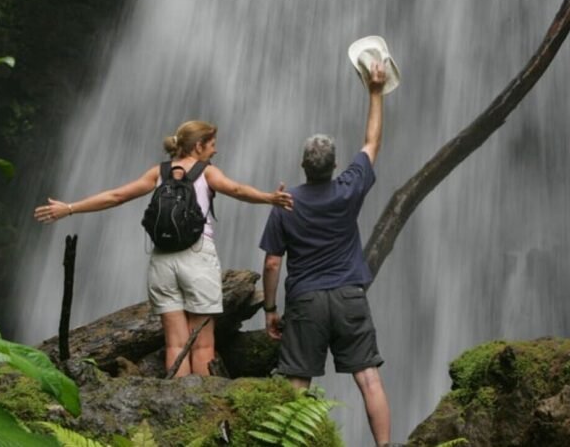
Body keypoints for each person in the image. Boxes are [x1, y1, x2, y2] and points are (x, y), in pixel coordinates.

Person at [34, 120, 293, 377]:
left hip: (162, 261)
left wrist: (69, 208)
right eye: (212, 145)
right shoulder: (207, 172)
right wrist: (269, 198)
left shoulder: (159, 172)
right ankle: (202, 409)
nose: (215, 151)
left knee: (176, 344)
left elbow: (116, 196)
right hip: (197, 258)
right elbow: (236, 189)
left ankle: (177, 408)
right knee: (202, 344)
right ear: (199, 145)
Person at [259, 61, 392, 445]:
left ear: (303, 166)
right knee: (368, 376)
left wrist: (270, 309)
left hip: (306, 301)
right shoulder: (348, 188)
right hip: (350, 295)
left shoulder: (285, 203)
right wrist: (375, 92)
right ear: (335, 166)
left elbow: (272, 261)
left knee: (298, 380)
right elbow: (372, 143)